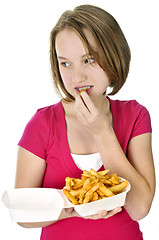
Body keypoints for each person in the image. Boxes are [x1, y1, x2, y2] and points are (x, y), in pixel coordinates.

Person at [15, 4, 155, 240]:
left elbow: (140, 208)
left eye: (89, 60)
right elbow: (22, 211)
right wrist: (73, 209)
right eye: (65, 63)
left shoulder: (136, 115)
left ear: (114, 56)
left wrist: (103, 133)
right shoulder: (42, 124)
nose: (77, 77)